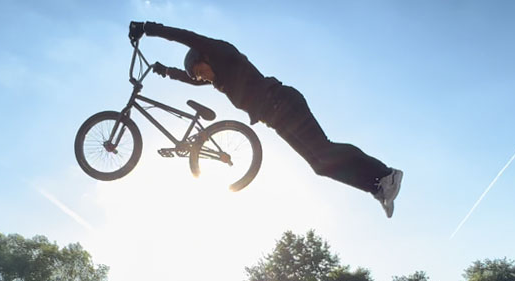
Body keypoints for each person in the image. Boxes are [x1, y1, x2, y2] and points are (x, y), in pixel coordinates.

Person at [129, 21, 403, 218]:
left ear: (205, 58)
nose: (203, 78)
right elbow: (189, 80)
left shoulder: (223, 54)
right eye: (199, 78)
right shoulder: (220, 80)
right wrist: (164, 71)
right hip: (277, 117)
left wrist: (147, 28)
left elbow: (184, 35)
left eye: (201, 71)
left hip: (283, 102)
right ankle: (377, 186)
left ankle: (386, 173)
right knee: (320, 165)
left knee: (324, 149)